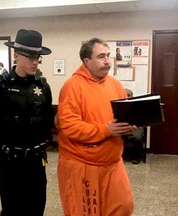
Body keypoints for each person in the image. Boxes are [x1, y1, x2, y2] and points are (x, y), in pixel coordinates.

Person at [0, 29, 54, 216]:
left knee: (37, 208)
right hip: (9, 161)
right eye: (30, 56)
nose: (35, 61)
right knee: (12, 210)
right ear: (16, 56)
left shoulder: (42, 87)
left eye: (37, 57)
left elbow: (47, 119)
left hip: (36, 160)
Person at [57, 38, 137, 216]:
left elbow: (122, 115)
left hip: (112, 160)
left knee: (123, 206)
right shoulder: (72, 86)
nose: (108, 61)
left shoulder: (115, 84)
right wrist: (106, 130)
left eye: (108, 56)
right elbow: (69, 126)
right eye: (101, 56)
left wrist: (128, 125)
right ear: (87, 61)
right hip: (82, 162)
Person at [123, 88, 145, 165]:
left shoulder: (137, 106)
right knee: (113, 136)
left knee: (137, 137)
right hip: (122, 127)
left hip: (136, 127)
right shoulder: (118, 105)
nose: (126, 97)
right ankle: (118, 157)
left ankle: (137, 157)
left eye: (128, 95)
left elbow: (142, 119)